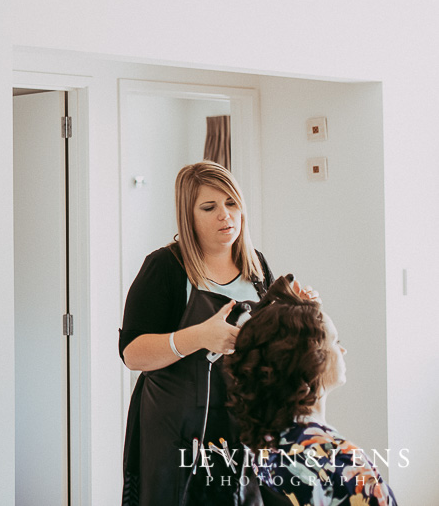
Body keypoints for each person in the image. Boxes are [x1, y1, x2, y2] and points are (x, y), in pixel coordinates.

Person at [119, 161, 274, 506]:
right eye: (210, 207)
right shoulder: (165, 268)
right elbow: (132, 352)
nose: (225, 215)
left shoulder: (257, 266)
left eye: (231, 203)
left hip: (243, 421)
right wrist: (199, 336)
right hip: (178, 428)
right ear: (188, 215)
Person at [225, 277, 398, 505]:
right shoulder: (340, 460)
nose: (343, 350)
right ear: (310, 360)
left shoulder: (267, 446)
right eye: (336, 341)